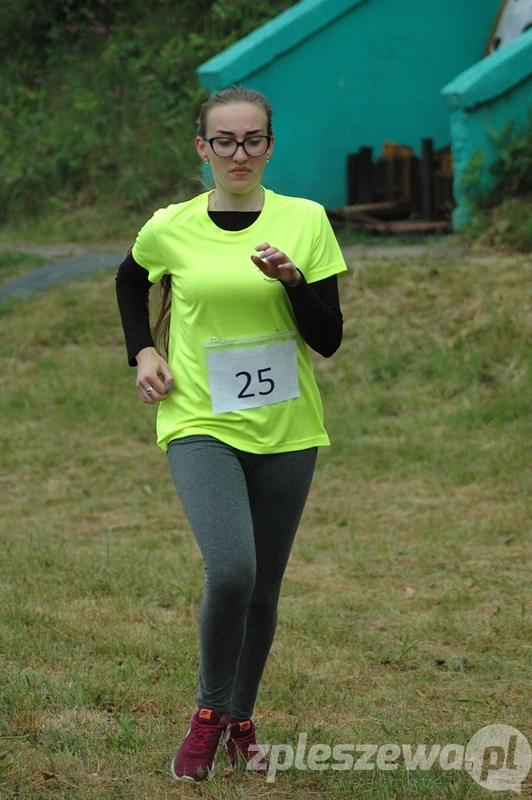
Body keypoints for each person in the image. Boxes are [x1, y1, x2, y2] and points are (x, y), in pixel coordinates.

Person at [115, 85, 346, 783]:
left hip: (287, 428)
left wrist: (294, 281)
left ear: (270, 147)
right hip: (199, 420)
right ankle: (209, 713)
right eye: (225, 141)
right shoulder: (171, 226)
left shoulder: (305, 220)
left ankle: (241, 719)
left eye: (253, 140)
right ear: (203, 148)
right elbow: (129, 280)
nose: (239, 153)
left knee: (264, 588)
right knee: (233, 569)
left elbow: (328, 338)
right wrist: (143, 351)